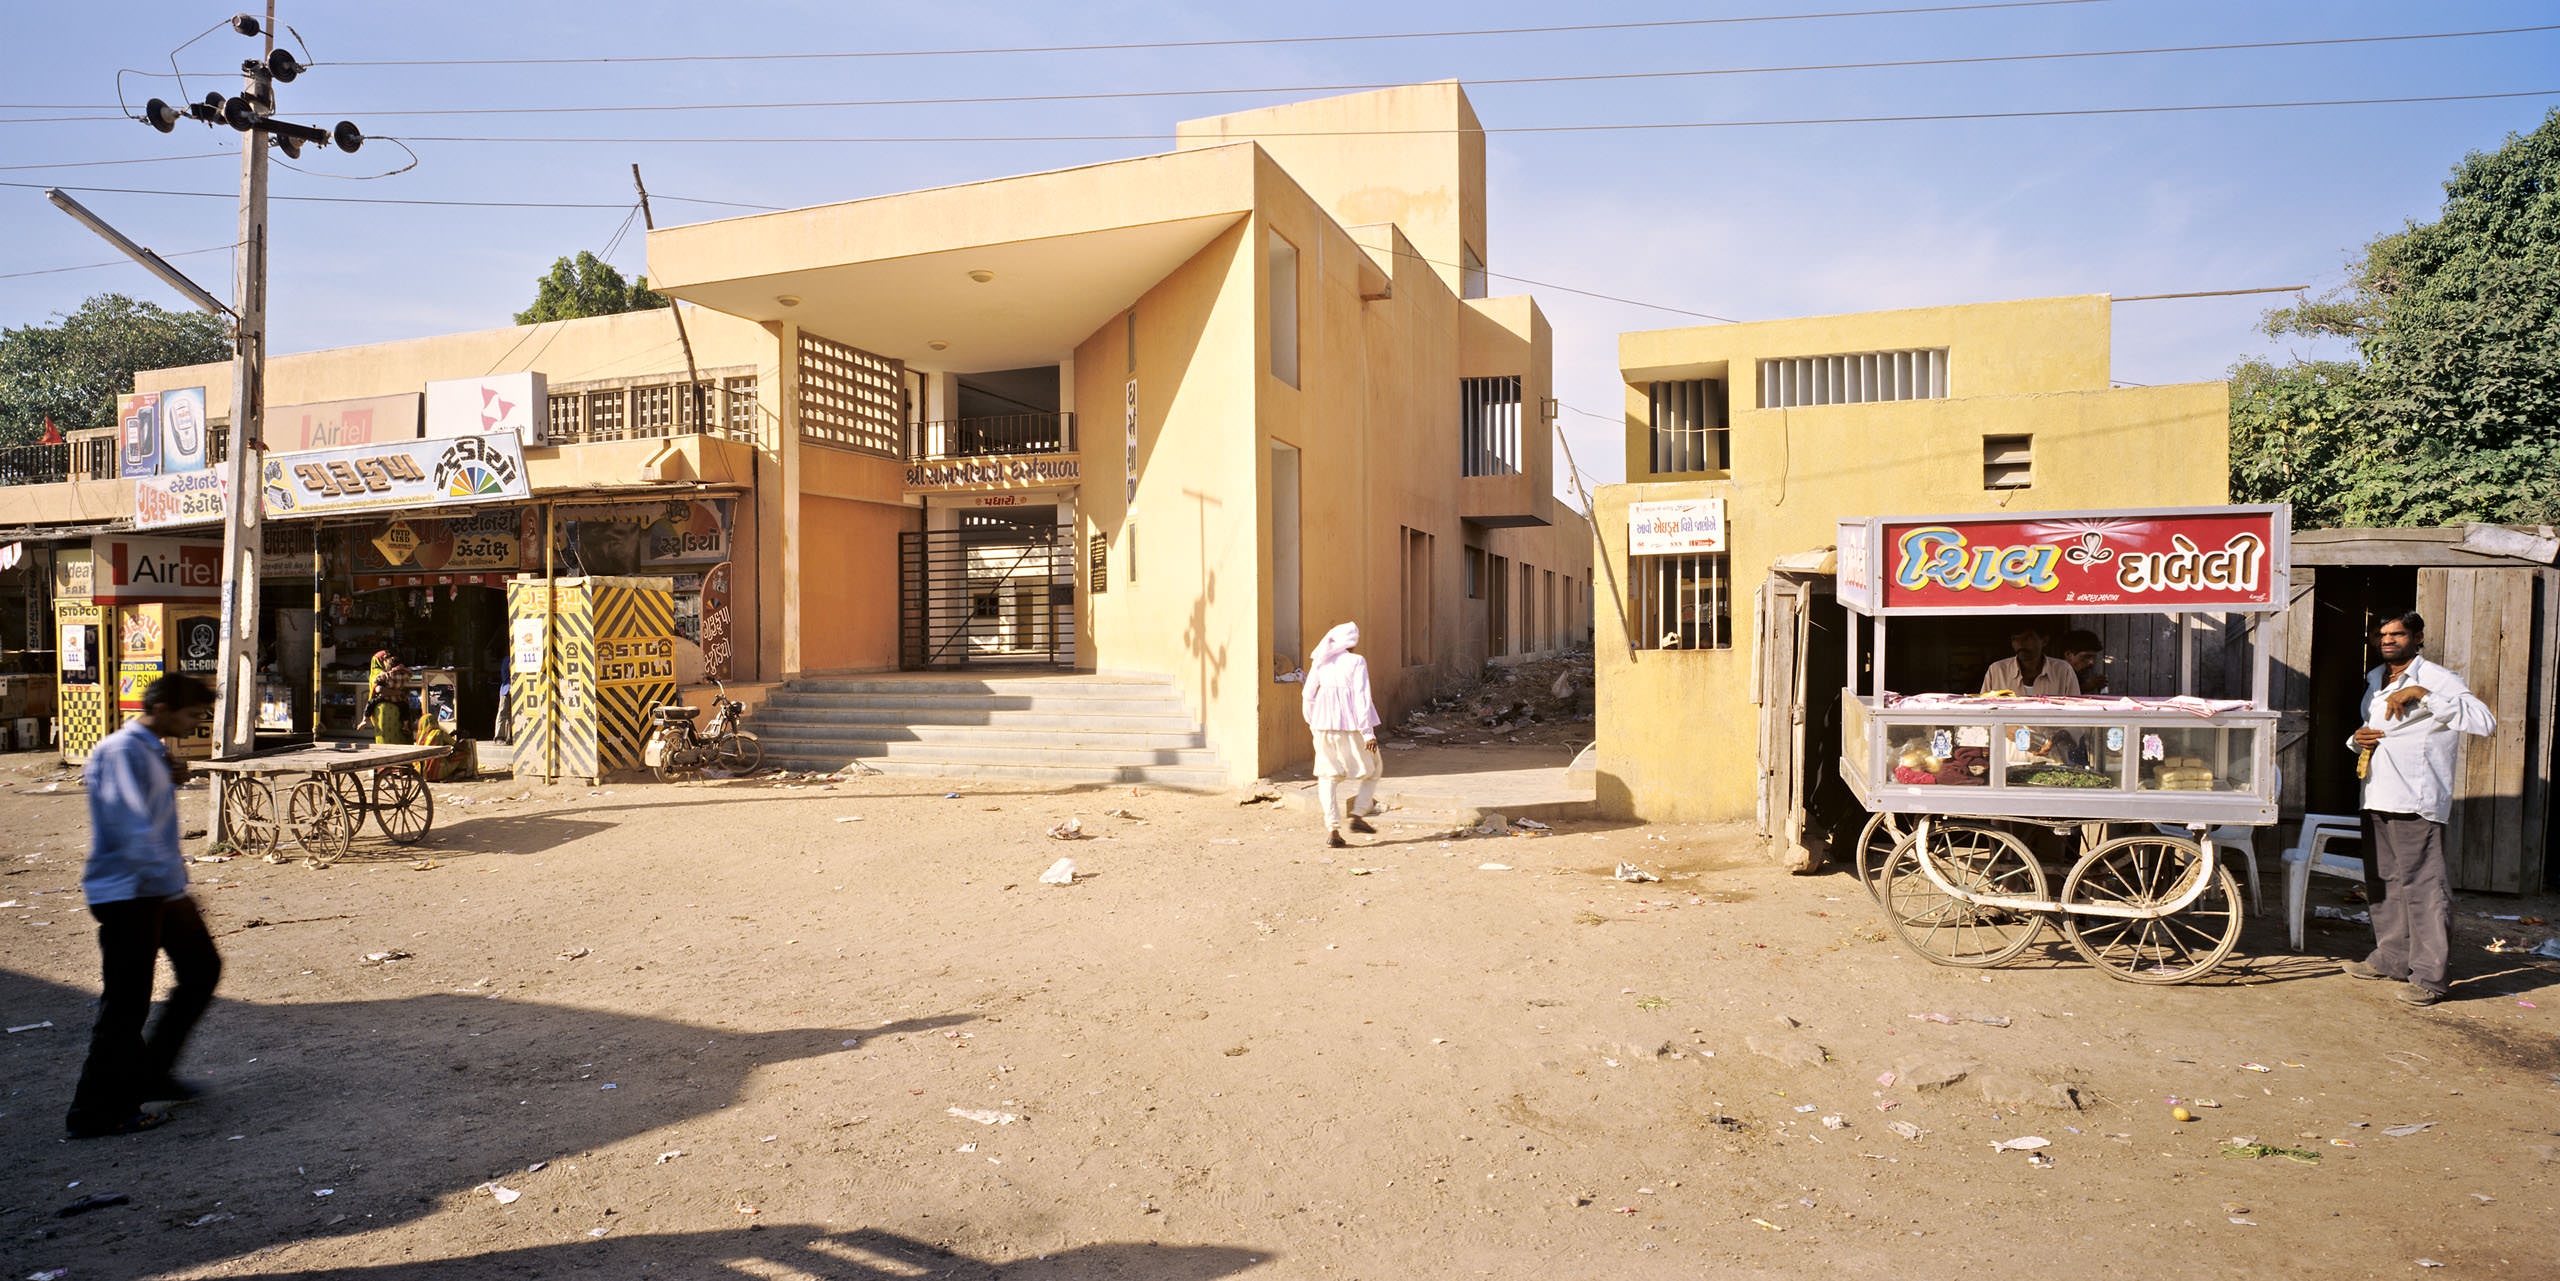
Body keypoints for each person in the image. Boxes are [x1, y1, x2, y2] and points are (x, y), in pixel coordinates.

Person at [66, 674, 221, 1138]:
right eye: (191, 715)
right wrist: (170, 889)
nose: (195, 725)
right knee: (126, 1004)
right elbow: (132, 829)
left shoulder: (150, 750)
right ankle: (94, 1111)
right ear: (164, 707)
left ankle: (153, 1071)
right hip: (130, 892)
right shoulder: (122, 751)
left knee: (201, 970)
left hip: (158, 887)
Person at [2342, 612, 2495, 1006]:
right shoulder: (2376, 678)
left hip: (2416, 797)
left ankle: (2430, 976)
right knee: (2385, 881)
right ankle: (2391, 958)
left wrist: (2422, 695)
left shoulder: (2439, 679)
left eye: (2398, 634)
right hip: (2377, 793)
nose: (2389, 640)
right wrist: (2356, 739)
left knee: (2424, 887)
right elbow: (2374, 728)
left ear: (2418, 637)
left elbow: (2484, 721)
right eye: (2383, 634)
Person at [1301, 621, 1381, 849]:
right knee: (1374, 769)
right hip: (1352, 727)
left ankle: (1333, 829)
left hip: (1322, 727)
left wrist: (1313, 722)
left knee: (1327, 777)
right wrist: (1367, 732)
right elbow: (1362, 697)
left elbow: (1307, 695)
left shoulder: (1320, 662)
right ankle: (1357, 815)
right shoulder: (1356, 661)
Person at [1979, 623, 2080, 697]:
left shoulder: (2063, 670)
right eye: (2015, 639)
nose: (2020, 644)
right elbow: (1984, 710)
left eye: (2028, 638)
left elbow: (2076, 712)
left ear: (2044, 641)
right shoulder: (1997, 670)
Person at [366, 650, 409, 746]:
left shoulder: (383, 673)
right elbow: (379, 689)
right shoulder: (381, 673)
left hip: (383, 708)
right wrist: (398, 692)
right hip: (389, 707)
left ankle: (365, 719)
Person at [2057, 628, 2108, 694]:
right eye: (2086, 657)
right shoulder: (2055, 675)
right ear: (2069, 655)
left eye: (2093, 657)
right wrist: (2085, 687)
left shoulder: (2081, 675)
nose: (2091, 662)